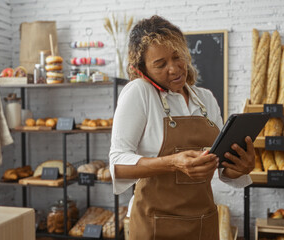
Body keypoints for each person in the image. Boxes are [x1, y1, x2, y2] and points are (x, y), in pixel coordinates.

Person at [109, 15, 255, 240]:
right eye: (160, 65)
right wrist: (173, 163)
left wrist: (240, 166)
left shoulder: (204, 98)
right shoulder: (139, 93)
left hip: (203, 222)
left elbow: (223, 169)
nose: (175, 68)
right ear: (141, 70)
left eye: (178, 57)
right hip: (155, 225)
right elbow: (118, 164)